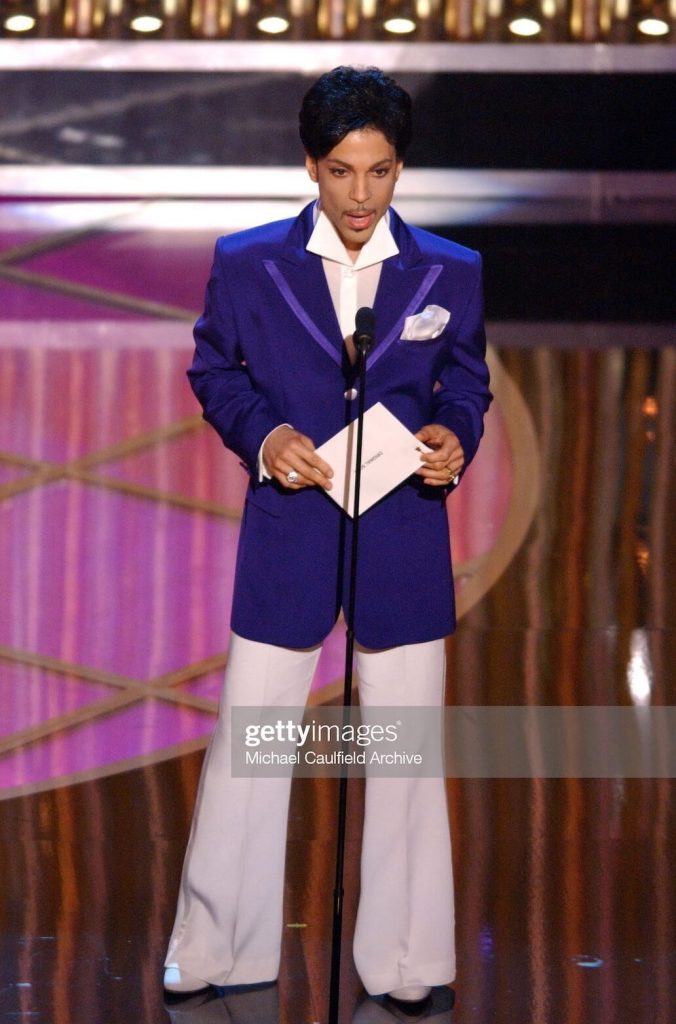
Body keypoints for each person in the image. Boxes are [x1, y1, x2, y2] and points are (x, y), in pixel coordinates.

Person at [164, 65, 491, 1010]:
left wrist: (452, 438)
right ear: (312, 164)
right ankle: (221, 948)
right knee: (252, 748)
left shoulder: (451, 271)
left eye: (381, 172)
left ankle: (405, 959)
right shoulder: (249, 261)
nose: (360, 195)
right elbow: (215, 369)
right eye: (342, 172)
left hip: (402, 539)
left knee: (401, 753)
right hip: (290, 528)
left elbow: (464, 382)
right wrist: (266, 438)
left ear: (400, 171)